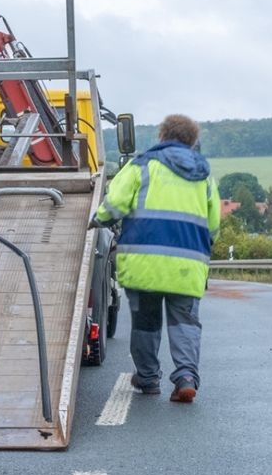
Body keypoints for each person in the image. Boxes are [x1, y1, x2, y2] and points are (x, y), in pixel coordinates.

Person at [93, 114, 220, 403]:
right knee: (185, 323)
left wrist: (96, 220)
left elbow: (114, 204)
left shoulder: (141, 166)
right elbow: (213, 225)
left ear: (162, 136)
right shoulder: (204, 175)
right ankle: (186, 377)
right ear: (192, 140)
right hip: (188, 265)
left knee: (145, 323)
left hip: (143, 263)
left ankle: (148, 379)